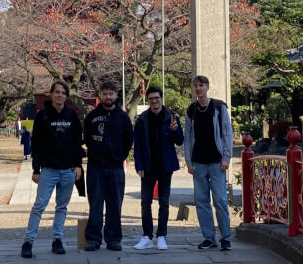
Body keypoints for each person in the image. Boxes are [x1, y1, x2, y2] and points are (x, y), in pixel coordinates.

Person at [22, 80, 83, 259]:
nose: (59, 95)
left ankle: (57, 239)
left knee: (62, 207)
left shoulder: (72, 115)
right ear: (51, 94)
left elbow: (76, 143)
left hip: (68, 169)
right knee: (39, 205)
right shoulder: (42, 116)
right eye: (56, 92)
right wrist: (36, 169)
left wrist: (78, 165)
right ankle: (28, 241)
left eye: (63, 93)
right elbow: (36, 144)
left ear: (66, 96)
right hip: (48, 169)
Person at [184, 75, 234, 251]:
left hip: (216, 161)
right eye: (196, 85)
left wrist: (227, 156)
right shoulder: (191, 110)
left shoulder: (219, 107)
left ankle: (226, 237)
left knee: (220, 200)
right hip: (198, 162)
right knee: (202, 201)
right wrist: (188, 161)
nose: (198, 88)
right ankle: (209, 237)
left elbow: (227, 133)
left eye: (201, 85)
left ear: (207, 87)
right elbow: (187, 137)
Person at [83, 80, 133, 252]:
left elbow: (128, 140)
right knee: (95, 204)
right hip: (96, 166)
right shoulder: (91, 116)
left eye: (111, 93)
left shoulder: (123, 117)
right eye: (104, 93)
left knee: (114, 204)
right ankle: (93, 239)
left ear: (116, 95)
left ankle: (114, 239)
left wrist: (119, 156)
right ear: (100, 95)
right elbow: (88, 138)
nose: (108, 97)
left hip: (115, 167)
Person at [133, 85, 183, 251]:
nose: (154, 101)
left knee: (164, 202)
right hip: (147, 166)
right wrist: (138, 164)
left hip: (165, 165)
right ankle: (147, 236)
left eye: (157, 98)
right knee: (145, 202)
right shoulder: (142, 120)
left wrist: (175, 131)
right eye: (151, 98)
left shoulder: (171, 117)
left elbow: (180, 141)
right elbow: (138, 145)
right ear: (148, 100)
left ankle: (162, 235)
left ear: (162, 99)